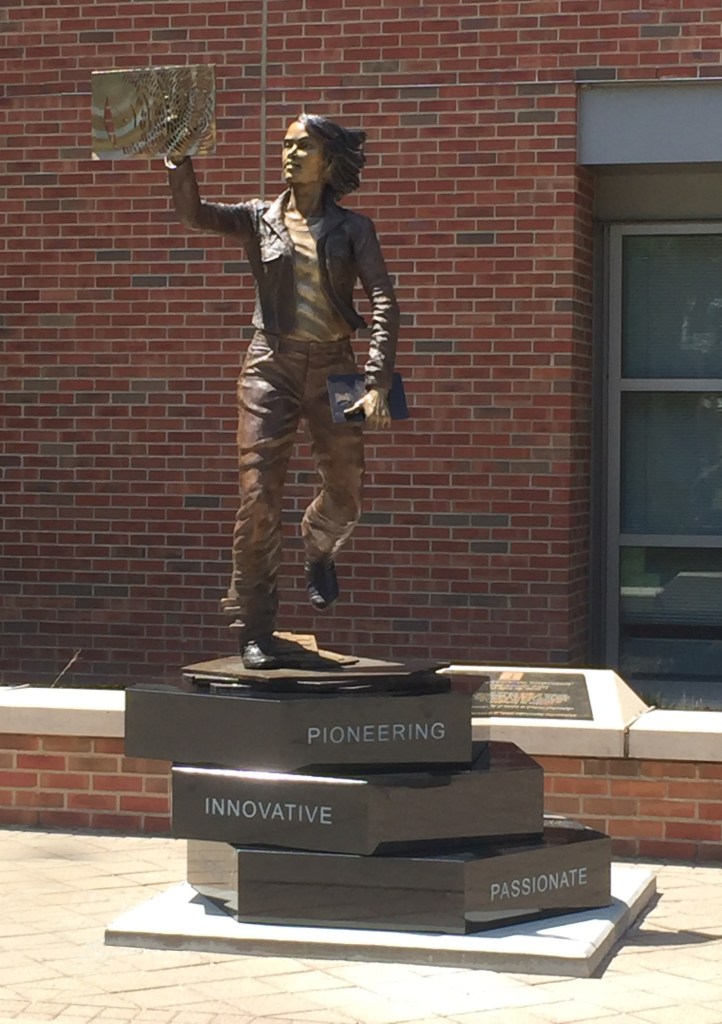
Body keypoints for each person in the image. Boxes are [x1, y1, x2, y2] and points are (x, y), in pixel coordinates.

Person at [166, 114, 399, 669]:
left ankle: (318, 546)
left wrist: (378, 382)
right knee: (258, 498)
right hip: (270, 364)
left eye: (304, 147)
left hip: (338, 369)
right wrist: (179, 161)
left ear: (328, 160)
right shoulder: (256, 218)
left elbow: (385, 301)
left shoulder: (355, 229)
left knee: (347, 494)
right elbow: (194, 214)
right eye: (287, 146)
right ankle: (255, 625)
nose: (290, 155)